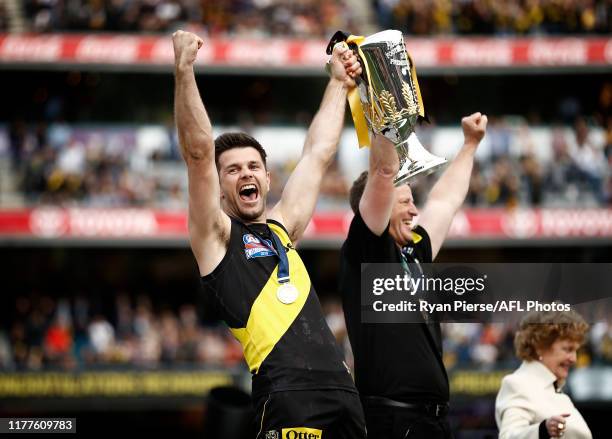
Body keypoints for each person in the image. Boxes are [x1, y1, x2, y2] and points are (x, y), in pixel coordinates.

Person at [172, 30, 366, 438]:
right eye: (232, 169)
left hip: (345, 393)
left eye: (253, 166)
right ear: (221, 186)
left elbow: (318, 153)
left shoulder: (282, 229)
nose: (245, 173)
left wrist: (338, 83)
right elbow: (197, 152)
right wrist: (184, 70)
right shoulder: (216, 239)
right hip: (288, 395)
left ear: (267, 175)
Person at [339, 113, 488, 438]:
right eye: (404, 201)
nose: (414, 210)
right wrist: (383, 111)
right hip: (393, 420)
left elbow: (445, 202)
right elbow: (383, 171)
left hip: (433, 422)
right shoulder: (369, 252)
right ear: (378, 204)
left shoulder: (415, 251)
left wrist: (470, 145)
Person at [495, 310, 592, 439]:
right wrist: (543, 430)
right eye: (567, 349)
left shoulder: (556, 391)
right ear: (540, 346)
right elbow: (509, 436)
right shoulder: (518, 384)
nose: (574, 358)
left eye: (576, 350)